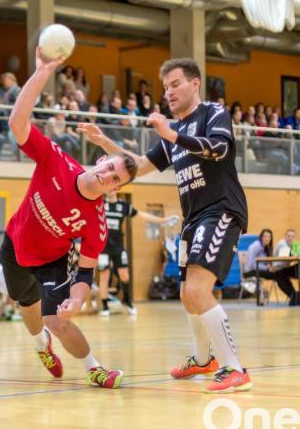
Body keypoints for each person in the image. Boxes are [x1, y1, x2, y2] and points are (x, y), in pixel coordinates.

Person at [77, 58, 252, 393]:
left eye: (175, 84)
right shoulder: (175, 133)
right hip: (194, 217)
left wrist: (171, 134)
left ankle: (235, 368)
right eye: (166, 87)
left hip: (221, 210)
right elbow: (139, 166)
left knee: (199, 290)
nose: (168, 92)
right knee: (188, 296)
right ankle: (204, 361)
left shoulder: (212, 113)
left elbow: (219, 148)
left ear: (194, 83)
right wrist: (105, 144)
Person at [2, 47, 138, 389]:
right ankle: (40, 346)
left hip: (52, 260)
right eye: (109, 166)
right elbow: (18, 123)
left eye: (116, 178)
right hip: (15, 243)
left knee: (56, 319)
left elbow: (87, 269)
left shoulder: (97, 221)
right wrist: (42, 73)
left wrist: (77, 299)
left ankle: (94, 368)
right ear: (98, 161)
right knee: (28, 310)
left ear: (115, 189)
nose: (108, 175)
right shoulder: (56, 160)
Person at [96, 190, 179, 316]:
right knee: (104, 277)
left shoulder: (123, 206)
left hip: (118, 247)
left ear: (117, 188)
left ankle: (127, 301)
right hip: (103, 247)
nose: (110, 190)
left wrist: (164, 220)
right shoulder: (100, 204)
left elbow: (142, 215)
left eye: (113, 187)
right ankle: (105, 306)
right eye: (108, 187)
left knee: (124, 276)